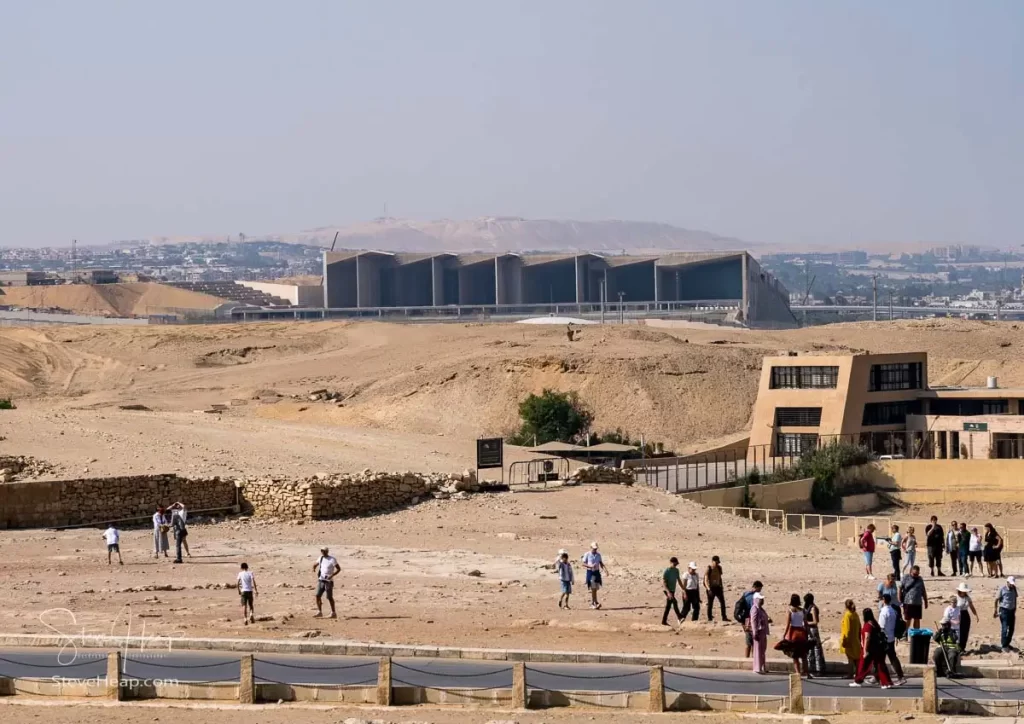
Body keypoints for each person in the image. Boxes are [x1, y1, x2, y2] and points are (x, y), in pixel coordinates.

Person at [850, 608, 892, 689]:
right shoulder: (874, 623)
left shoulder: (868, 625)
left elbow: (867, 637)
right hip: (879, 648)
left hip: (871, 649)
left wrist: (865, 650)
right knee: (880, 665)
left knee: (863, 665)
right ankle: (886, 683)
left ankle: (858, 681)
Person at [878, 594, 907, 686]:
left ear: (883, 600)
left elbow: (881, 627)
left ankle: (878, 677)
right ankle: (900, 676)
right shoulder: (893, 610)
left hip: (885, 638)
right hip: (891, 637)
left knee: (881, 658)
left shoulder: (884, 612)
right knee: (892, 657)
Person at [779, 593, 810, 678]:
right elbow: (806, 624)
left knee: (795, 655)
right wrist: (809, 633)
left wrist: (784, 635)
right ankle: (807, 673)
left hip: (793, 632)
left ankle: (798, 673)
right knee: (804, 654)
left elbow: (788, 624)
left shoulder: (790, 611)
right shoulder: (803, 610)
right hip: (802, 632)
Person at [738, 580, 765, 658]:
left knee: (748, 642)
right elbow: (755, 610)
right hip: (751, 621)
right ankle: (754, 660)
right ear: (756, 587)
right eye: (760, 589)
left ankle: (747, 659)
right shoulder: (754, 597)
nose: (760, 591)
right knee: (753, 643)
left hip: (745, 621)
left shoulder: (746, 594)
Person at [313, 546, 340, 619]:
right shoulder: (320, 558)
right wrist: (314, 567)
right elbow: (316, 564)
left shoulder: (332, 559)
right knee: (317, 595)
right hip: (321, 579)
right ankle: (319, 612)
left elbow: (338, 569)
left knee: (329, 597)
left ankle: (333, 613)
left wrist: (332, 575)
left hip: (328, 581)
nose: (322, 552)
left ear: (327, 551)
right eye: (321, 551)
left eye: (324, 551)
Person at [899, 565, 928, 629]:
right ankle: (905, 633)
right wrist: (900, 599)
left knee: (917, 619)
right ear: (910, 572)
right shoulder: (906, 577)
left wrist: (926, 601)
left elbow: (923, 590)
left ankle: (916, 634)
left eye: (917, 574)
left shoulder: (920, 579)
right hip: (908, 602)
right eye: (914, 574)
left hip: (918, 603)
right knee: (908, 619)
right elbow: (900, 588)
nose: (916, 576)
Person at [839, 599, 862, 678]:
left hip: (849, 640)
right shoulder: (855, 614)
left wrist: (845, 640)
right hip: (856, 639)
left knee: (850, 658)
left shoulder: (847, 615)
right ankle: (858, 673)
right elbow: (859, 627)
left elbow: (847, 629)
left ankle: (850, 674)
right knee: (856, 658)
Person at [804, 593, 825, 677]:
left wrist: (806, 623)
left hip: (813, 630)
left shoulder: (813, 608)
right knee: (810, 651)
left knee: (816, 650)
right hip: (808, 630)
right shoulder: (808, 607)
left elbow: (816, 621)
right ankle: (811, 669)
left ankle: (819, 670)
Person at [995, 575, 1018, 653]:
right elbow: (996, 599)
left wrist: (1015, 608)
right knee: (1005, 628)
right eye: (1010, 583)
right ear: (1007, 582)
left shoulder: (1014, 588)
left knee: (1011, 628)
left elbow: (1015, 598)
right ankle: (1004, 646)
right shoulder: (1002, 589)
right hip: (1004, 611)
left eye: (1013, 584)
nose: (1012, 585)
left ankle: (1007, 643)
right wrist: (995, 611)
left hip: (1012, 611)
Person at [954, 582, 978, 653]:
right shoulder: (956, 598)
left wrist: (976, 615)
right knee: (959, 632)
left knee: (965, 632)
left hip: (965, 615)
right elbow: (952, 608)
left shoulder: (967, 598)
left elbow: (971, 607)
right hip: (958, 614)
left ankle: (963, 648)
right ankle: (958, 648)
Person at [583, 542, 607, 610]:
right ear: (591, 547)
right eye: (594, 548)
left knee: (595, 589)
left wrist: (605, 570)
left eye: (596, 548)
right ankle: (594, 603)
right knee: (593, 588)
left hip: (596, 572)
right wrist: (590, 566)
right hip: (591, 572)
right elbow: (583, 563)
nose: (595, 550)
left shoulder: (598, 555)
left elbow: (600, 563)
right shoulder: (587, 554)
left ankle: (595, 602)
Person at [704, 555, 727, 622]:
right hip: (711, 588)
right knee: (710, 603)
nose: (717, 563)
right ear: (713, 561)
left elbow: (720, 577)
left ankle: (724, 617)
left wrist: (721, 586)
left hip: (718, 587)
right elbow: (706, 580)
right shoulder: (709, 568)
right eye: (716, 562)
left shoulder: (719, 568)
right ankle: (709, 618)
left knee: (722, 602)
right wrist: (708, 589)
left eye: (718, 562)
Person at [751, 592, 769, 674]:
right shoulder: (754, 608)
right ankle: (758, 668)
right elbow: (753, 621)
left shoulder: (760, 609)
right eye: (760, 599)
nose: (762, 600)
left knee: (762, 650)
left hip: (763, 632)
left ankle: (762, 666)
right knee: (758, 650)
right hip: (758, 632)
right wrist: (755, 632)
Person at [661, 557, 683, 626]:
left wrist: (683, 589)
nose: (675, 565)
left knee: (668, 607)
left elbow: (679, 580)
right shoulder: (667, 571)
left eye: (676, 564)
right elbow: (664, 583)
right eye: (674, 563)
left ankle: (664, 621)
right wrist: (668, 592)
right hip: (667, 590)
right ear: (671, 562)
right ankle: (679, 617)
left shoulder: (676, 570)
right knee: (675, 602)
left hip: (673, 590)